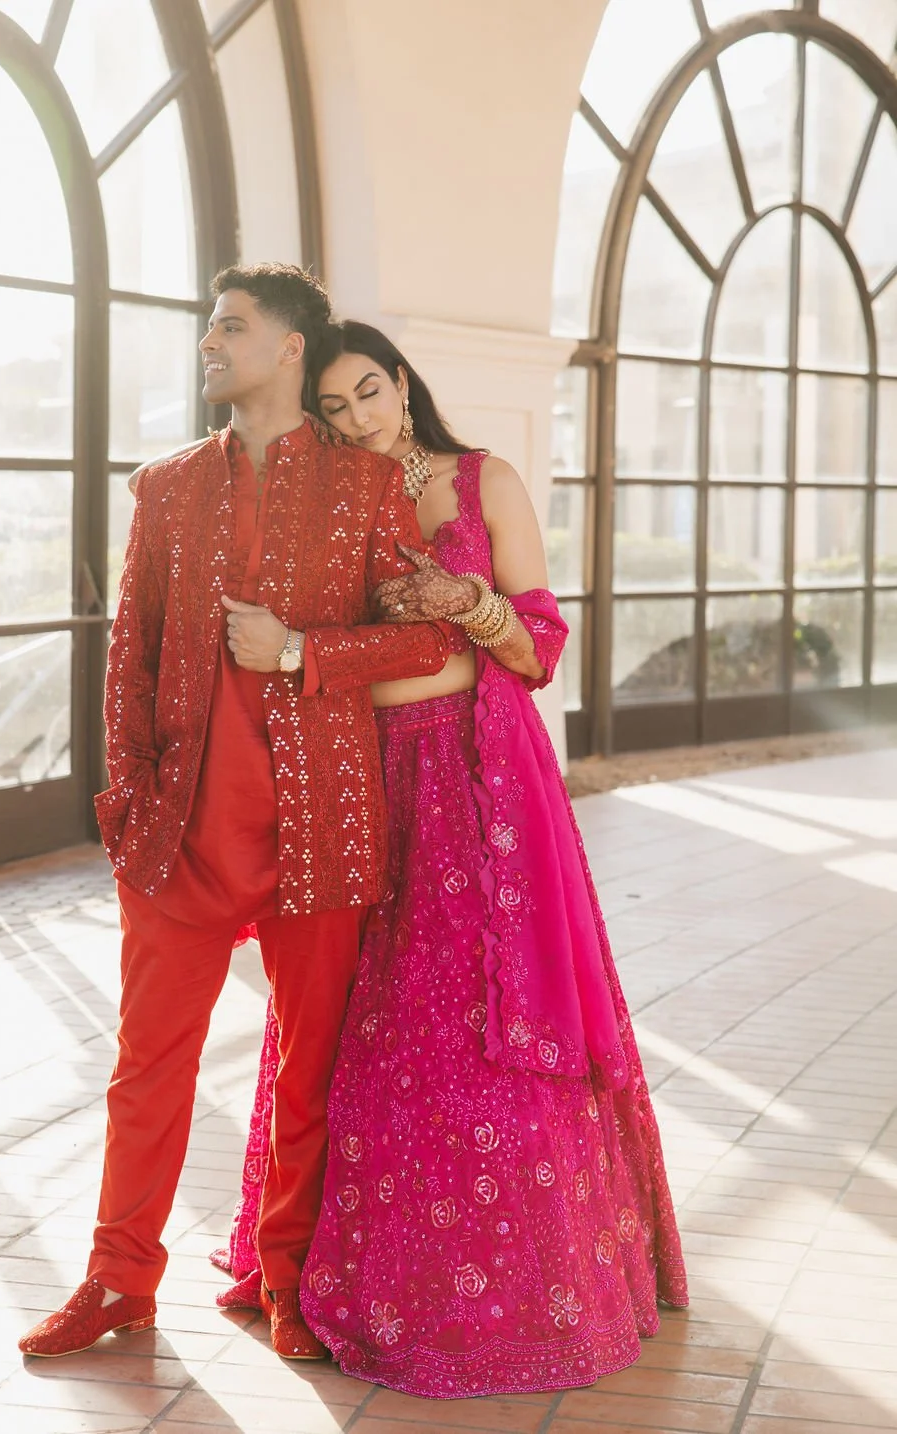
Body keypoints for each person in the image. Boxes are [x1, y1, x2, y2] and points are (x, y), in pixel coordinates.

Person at [213, 320, 688, 1396]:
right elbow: (285, 651)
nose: (358, 418)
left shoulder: (483, 481)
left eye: (370, 391)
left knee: (490, 1003)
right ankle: (313, 1266)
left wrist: (464, 604)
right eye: (334, 407)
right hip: (364, 772)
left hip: (482, 777)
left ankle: (530, 1280)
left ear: (402, 381)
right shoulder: (324, 505)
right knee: (360, 1004)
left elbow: (538, 648)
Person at [17, 268, 471, 1362]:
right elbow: (129, 659)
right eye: (210, 326)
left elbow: (426, 642)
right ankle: (119, 1281)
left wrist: (307, 649)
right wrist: (123, 807)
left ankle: (285, 1283)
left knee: (305, 1071)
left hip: (324, 826)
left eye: (230, 327)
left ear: (287, 350)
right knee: (146, 1069)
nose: (208, 342)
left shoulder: (367, 488)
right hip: (178, 833)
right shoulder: (166, 488)